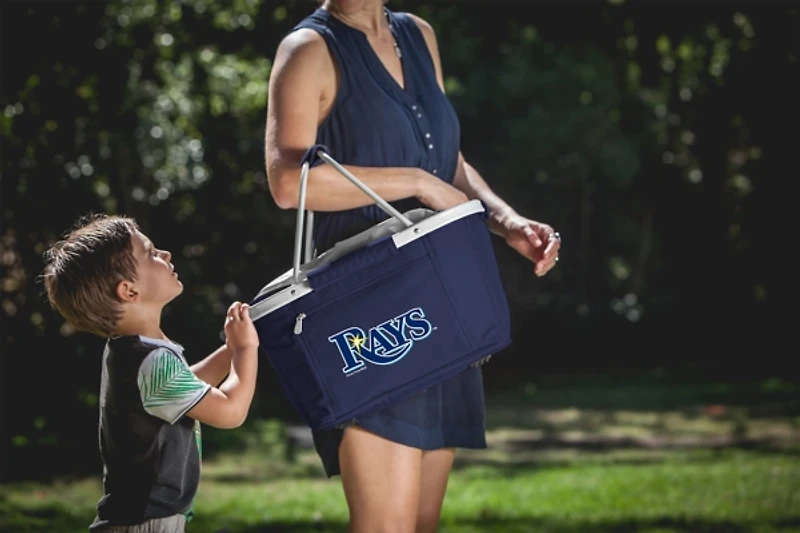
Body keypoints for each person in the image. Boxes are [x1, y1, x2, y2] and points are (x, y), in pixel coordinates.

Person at [264, 1, 561, 531]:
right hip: (374, 327)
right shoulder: (308, 50)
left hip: (443, 315)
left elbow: (448, 162)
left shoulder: (419, 36)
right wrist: (417, 183)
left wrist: (506, 220)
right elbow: (289, 182)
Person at [42, 213, 260, 533]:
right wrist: (245, 350)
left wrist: (230, 349)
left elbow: (184, 387)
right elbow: (231, 411)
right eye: (151, 253)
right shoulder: (151, 361)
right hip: (146, 523)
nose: (166, 254)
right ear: (129, 291)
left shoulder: (133, 352)